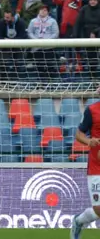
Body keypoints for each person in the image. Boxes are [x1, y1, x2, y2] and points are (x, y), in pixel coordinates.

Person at [73, 90, 100, 239]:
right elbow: (79, 134)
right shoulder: (92, 110)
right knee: (99, 210)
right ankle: (78, 221)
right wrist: (89, 141)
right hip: (97, 167)